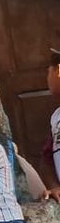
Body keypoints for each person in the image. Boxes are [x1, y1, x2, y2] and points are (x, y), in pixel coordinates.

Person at [43, 48, 60, 202]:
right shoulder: (55, 118)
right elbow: (47, 157)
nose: (47, 79)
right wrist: (54, 186)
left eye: (49, 72)